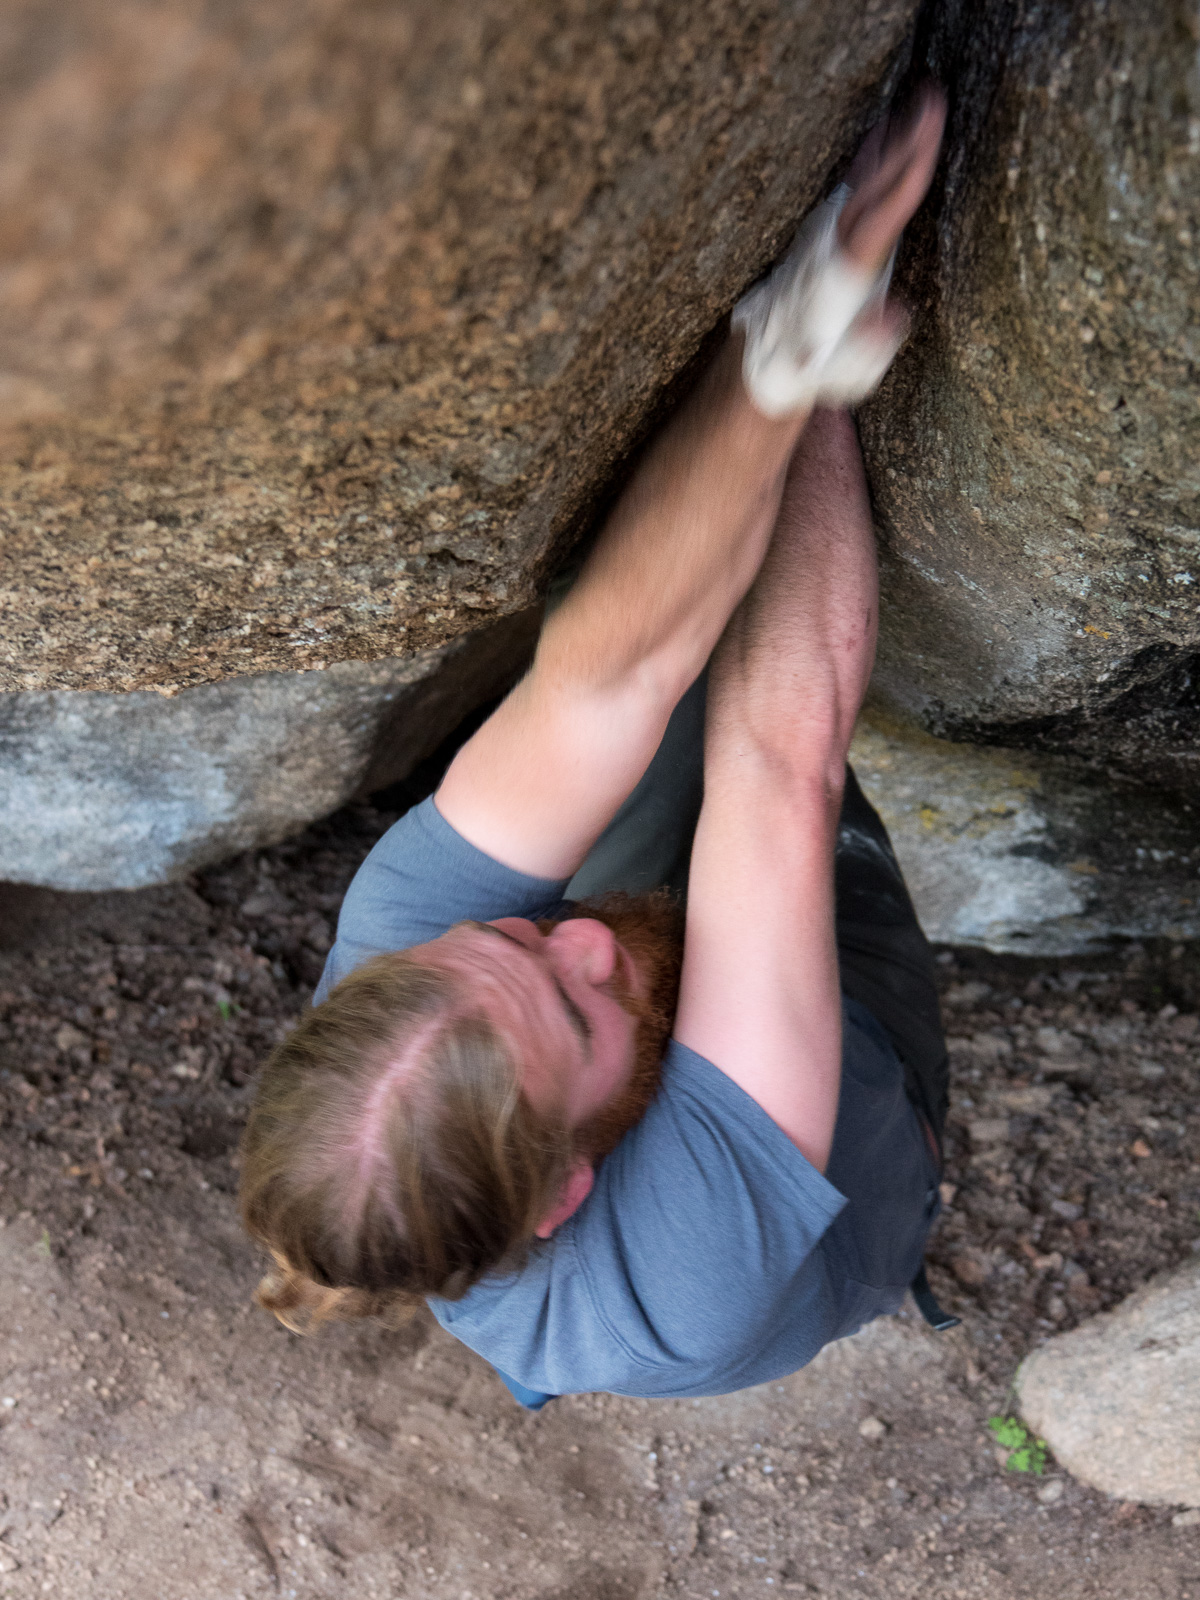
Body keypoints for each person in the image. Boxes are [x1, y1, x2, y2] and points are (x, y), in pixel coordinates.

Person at [239, 90, 956, 1409]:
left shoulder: (403, 981)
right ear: (568, 1191)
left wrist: (787, 345)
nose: (567, 931)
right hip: (862, 1128)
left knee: (639, 622)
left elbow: (603, 678)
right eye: (567, 995)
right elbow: (779, 752)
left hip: (630, 1068)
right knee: (775, 800)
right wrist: (831, 401)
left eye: (504, 934)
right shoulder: (683, 1277)